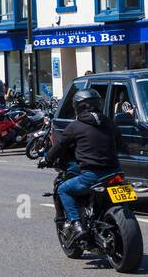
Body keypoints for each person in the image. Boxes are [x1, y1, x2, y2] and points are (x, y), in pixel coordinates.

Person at [43, 88, 120, 245]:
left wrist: (46, 159)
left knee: (63, 189)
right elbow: (121, 144)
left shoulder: (75, 126)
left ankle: (77, 224)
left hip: (92, 176)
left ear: (77, 106)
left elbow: (59, 147)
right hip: (116, 172)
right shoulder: (109, 122)